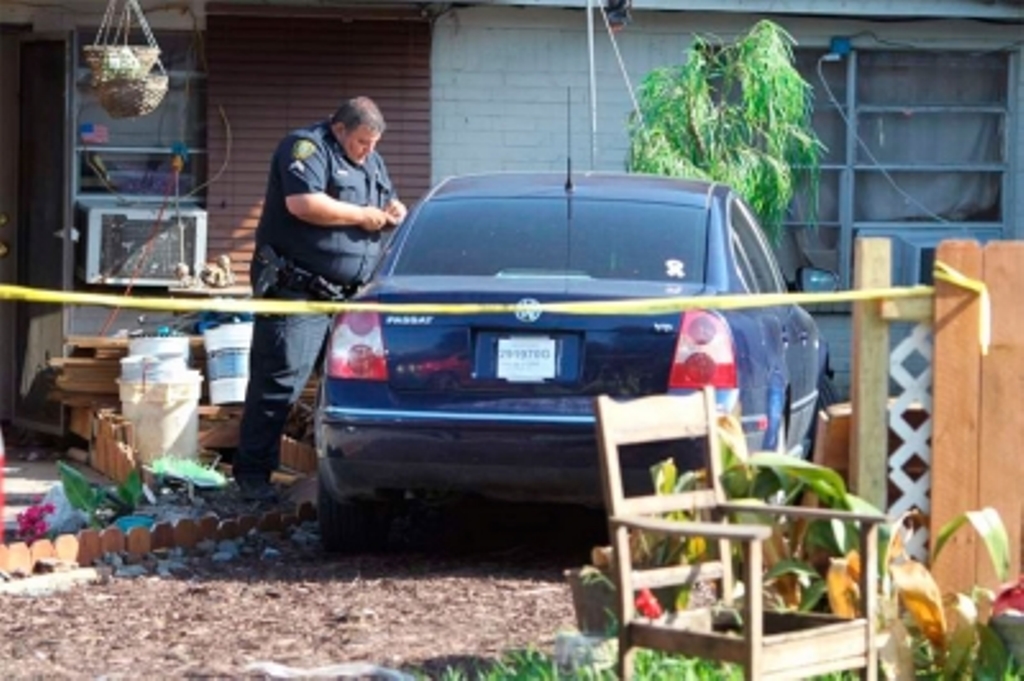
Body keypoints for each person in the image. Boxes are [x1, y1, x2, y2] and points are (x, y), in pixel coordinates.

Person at [234, 96, 407, 502]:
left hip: (348, 299)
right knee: (278, 385)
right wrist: (363, 216)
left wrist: (391, 209)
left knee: (347, 387)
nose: (369, 150)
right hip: (300, 292)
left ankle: (343, 478)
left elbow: (384, 201)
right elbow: (303, 204)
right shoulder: (307, 148)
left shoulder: (372, 161)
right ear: (340, 128)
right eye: (362, 141)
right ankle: (253, 479)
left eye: (375, 142)